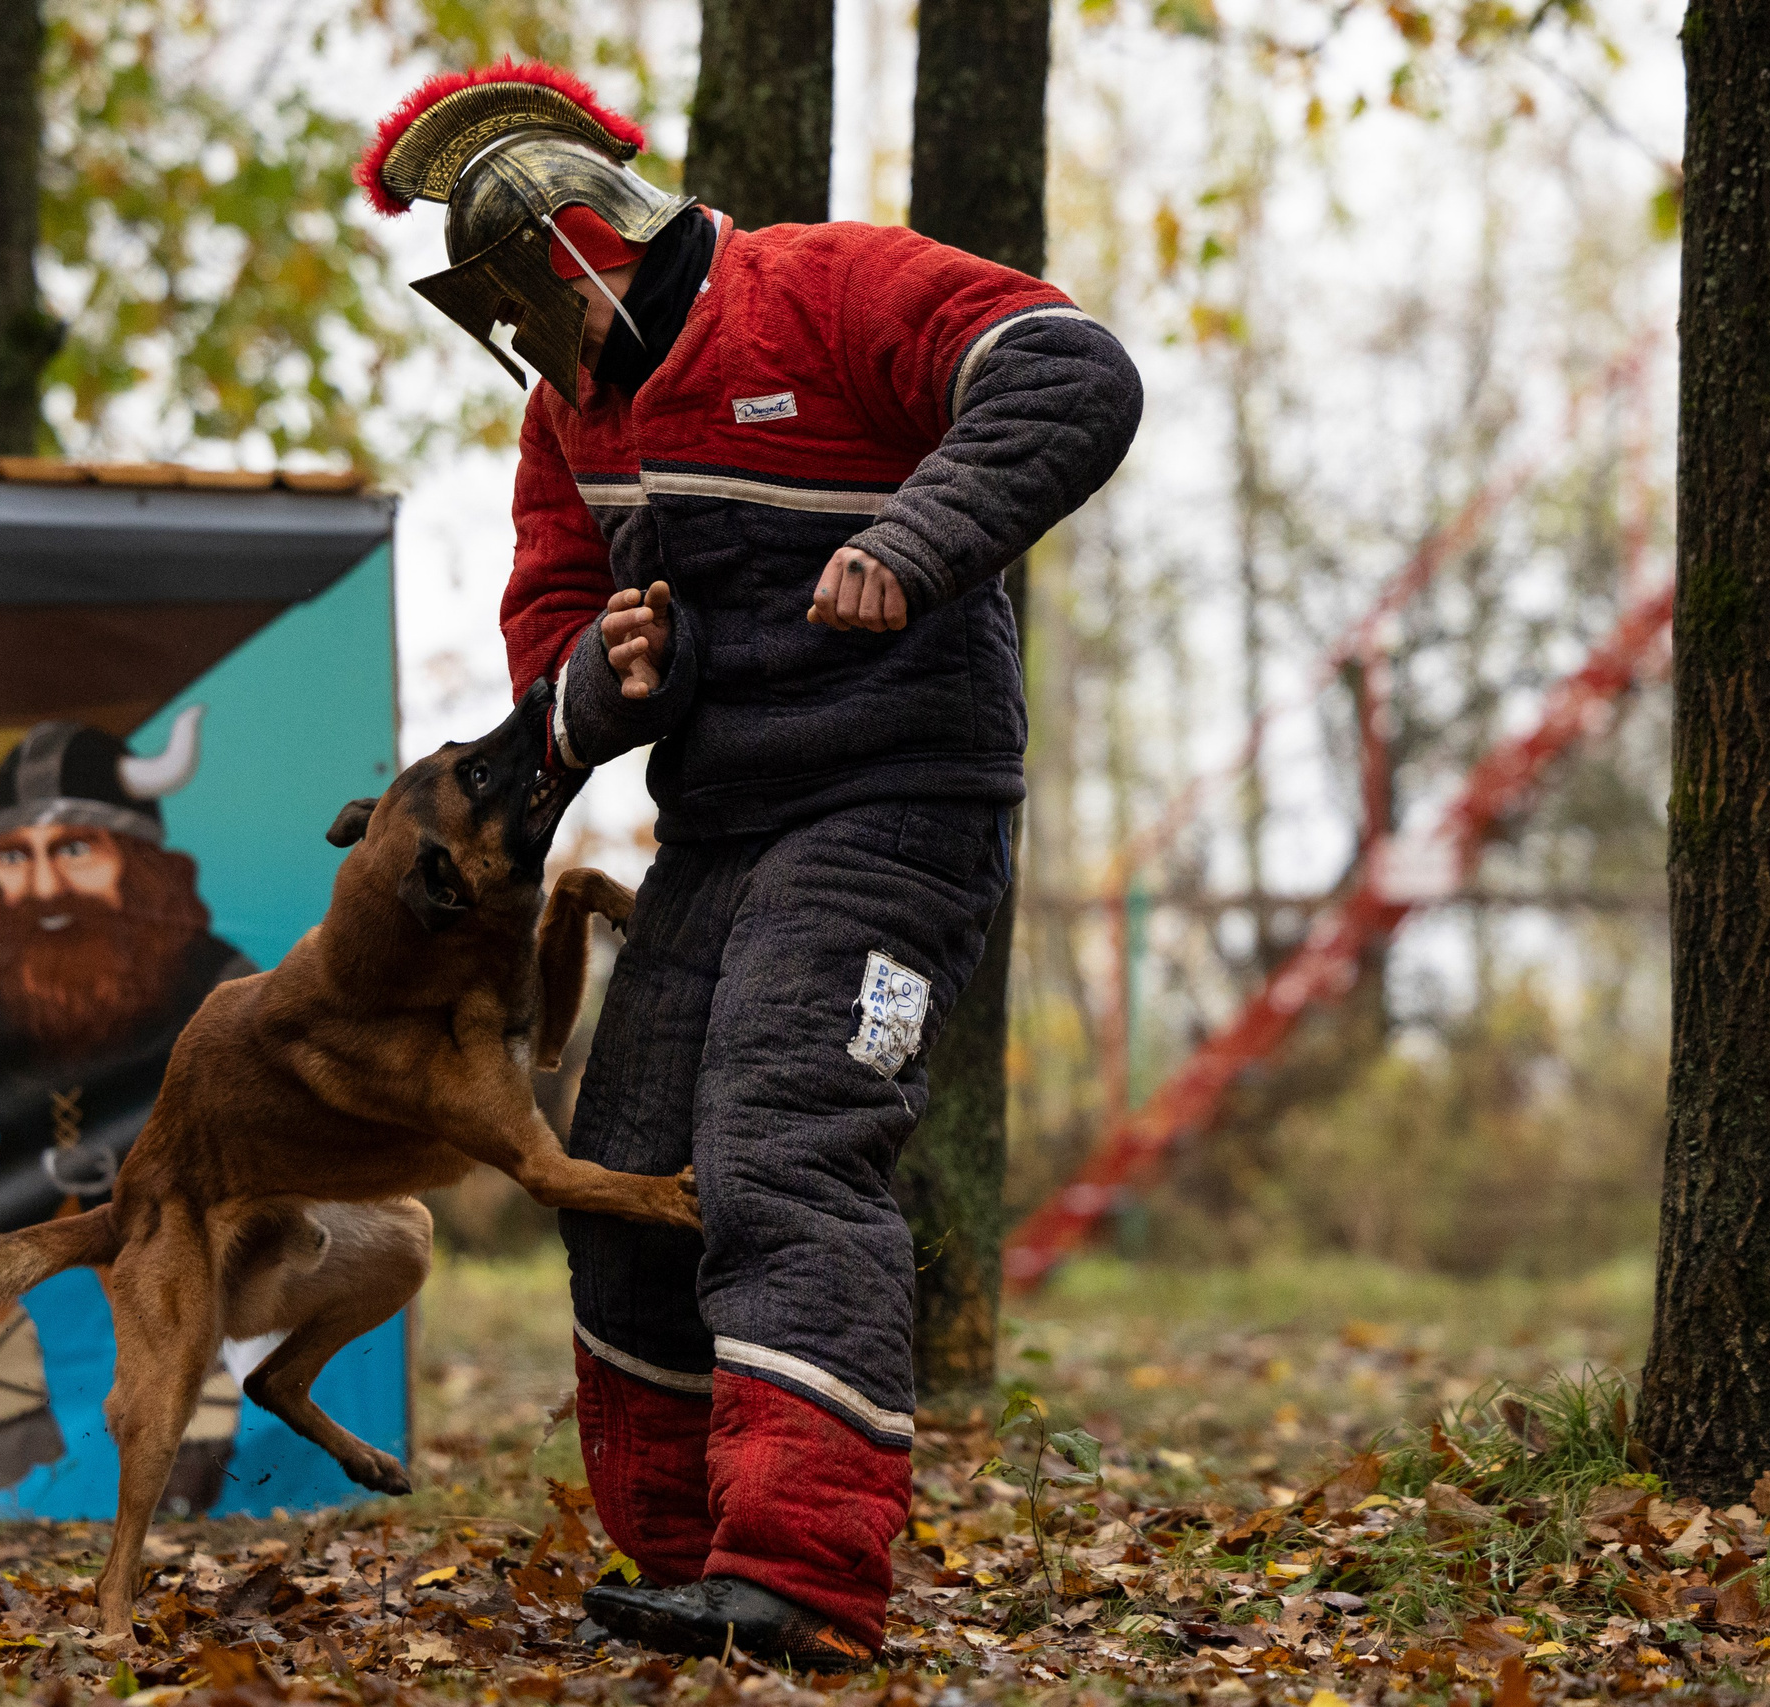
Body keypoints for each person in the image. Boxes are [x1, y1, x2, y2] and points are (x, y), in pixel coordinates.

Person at [359, 63, 1143, 1665]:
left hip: (900, 807)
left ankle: (800, 1579)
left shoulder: (830, 286)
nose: (526, 348)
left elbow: (1072, 376)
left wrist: (914, 542)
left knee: (783, 1146)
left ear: (578, 249)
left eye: (521, 301)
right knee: (632, 1163)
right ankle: (686, 1556)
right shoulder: (569, 422)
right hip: (726, 826)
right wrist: (609, 671)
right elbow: (548, 642)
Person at [0, 711, 256, 1514]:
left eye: (75, 848)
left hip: (160, 1186)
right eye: (16, 855)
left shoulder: (208, 971)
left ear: (138, 862)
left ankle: (196, 1444)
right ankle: (14, 1427)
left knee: (174, 1304)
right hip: (29, 1171)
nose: (43, 884)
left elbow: (266, 1056)